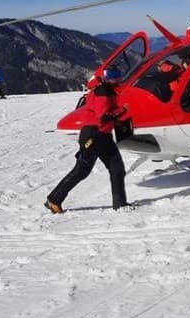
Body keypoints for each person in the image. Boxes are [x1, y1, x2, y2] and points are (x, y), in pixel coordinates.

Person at [45, 67, 131, 213]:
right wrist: (121, 111)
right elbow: (102, 116)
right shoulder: (101, 92)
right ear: (106, 78)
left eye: (118, 76)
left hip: (103, 135)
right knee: (82, 170)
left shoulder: (107, 90)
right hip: (94, 135)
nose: (117, 80)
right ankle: (54, 199)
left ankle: (120, 204)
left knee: (117, 168)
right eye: (113, 77)